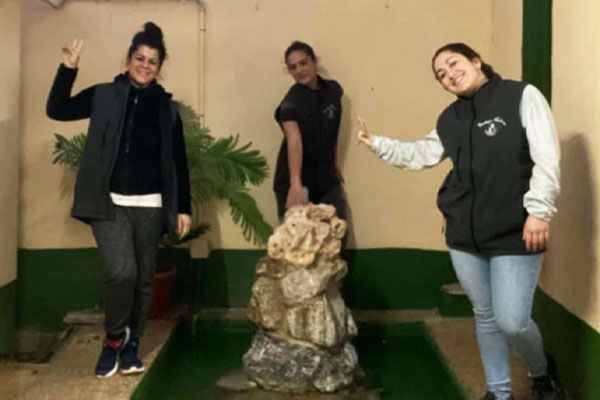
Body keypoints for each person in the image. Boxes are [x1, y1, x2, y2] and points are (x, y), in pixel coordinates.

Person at [356, 43, 561, 400]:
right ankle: (498, 393)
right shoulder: (449, 119)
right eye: (441, 74)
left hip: (516, 230)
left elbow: (547, 157)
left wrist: (539, 212)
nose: (449, 74)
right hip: (464, 235)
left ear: (476, 61)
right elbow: (422, 153)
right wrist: (379, 144)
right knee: (485, 315)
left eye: (453, 63)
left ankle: (541, 370)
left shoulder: (521, 96)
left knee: (512, 320)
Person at [46, 22, 191, 378]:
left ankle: (132, 343)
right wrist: (68, 69)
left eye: (152, 61)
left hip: (151, 205)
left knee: (142, 280)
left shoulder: (167, 109)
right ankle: (113, 339)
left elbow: (178, 160)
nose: (145, 65)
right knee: (121, 272)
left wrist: (183, 207)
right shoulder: (104, 95)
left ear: (159, 67)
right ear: (128, 60)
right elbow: (57, 109)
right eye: (139, 58)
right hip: (109, 202)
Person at [273, 41, 348, 223]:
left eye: (304, 63)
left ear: (315, 61)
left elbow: (331, 130)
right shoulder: (290, 104)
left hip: (325, 178)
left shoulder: (334, 91)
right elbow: (294, 140)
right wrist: (296, 185)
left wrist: (333, 163)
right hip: (296, 179)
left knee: (336, 230)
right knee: (297, 236)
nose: (299, 70)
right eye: (293, 67)